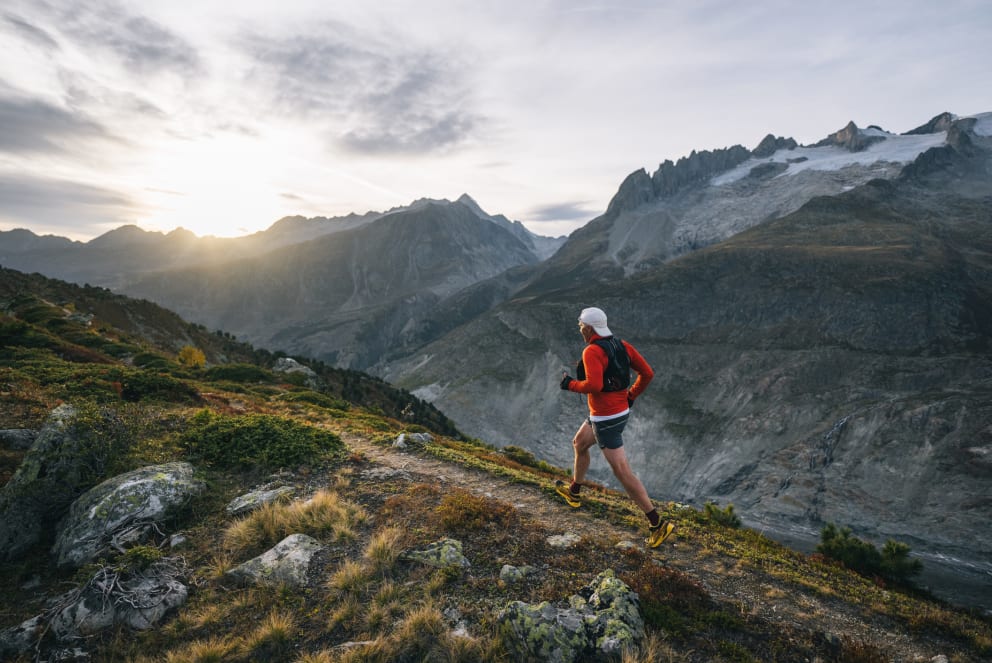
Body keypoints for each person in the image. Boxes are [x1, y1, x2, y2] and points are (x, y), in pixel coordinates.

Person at [557, 306, 674, 548]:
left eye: (581, 326)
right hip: (617, 411)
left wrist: (570, 384)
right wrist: (631, 396)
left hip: (605, 418)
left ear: (589, 328)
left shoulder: (591, 351)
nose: (580, 329)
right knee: (579, 443)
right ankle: (574, 492)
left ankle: (656, 522)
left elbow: (594, 385)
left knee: (622, 471)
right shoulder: (622, 345)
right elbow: (647, 373)